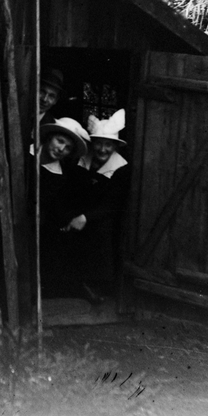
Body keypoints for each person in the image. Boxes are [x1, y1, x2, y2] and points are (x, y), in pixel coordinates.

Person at [70, 110, 131, 297]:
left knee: (102, 235)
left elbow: (114, 203)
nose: (102, 149)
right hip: (81, 212)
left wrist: (85, 217)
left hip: (104, 217)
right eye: (98, 143)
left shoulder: (121, 168)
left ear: (115, 146)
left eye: (108, 145)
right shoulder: (83, 159)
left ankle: (98, 286)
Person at [37, 117, 91, 298]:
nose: (61, 149)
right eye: (59, 141)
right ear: (49, 137)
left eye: (67, 148)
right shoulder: (26, 155)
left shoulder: (60, 175)